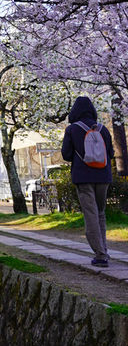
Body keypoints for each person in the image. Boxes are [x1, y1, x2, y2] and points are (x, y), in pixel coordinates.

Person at [61, 95, 114, 267]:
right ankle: (104, 250)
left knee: (90, 214)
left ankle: (100, 255)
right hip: (103, 176)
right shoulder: (103, 129)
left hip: (83, 178)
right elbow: (111, 154)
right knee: (100, 213)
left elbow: (66, 155)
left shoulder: (72, 129)